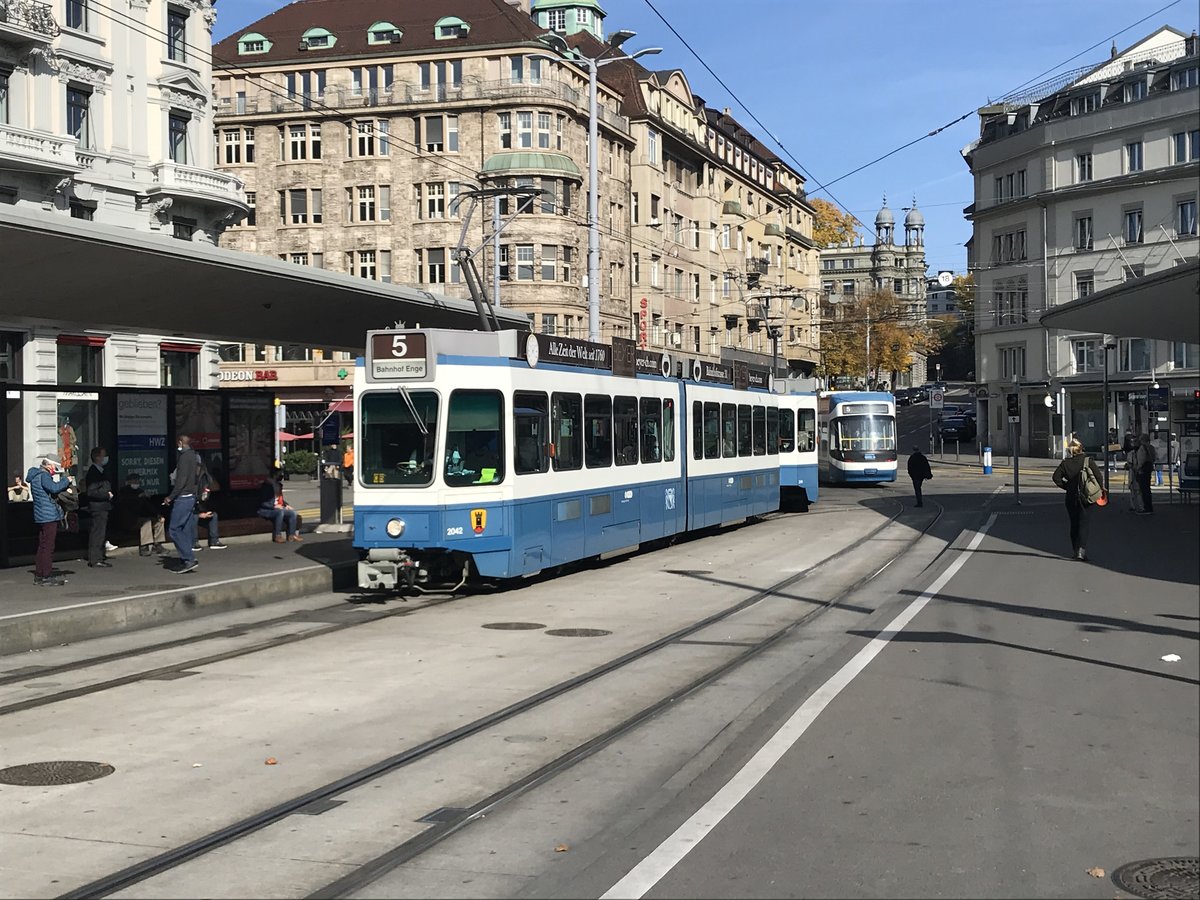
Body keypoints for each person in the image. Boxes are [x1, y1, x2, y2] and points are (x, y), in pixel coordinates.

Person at [1052, 438, 1105, 561]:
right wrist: (1099, 490)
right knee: (1084, 524)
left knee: (1074, 524)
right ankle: (1082, 551)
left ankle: (1075, 550)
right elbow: (1098, 476)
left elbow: (1056, 478)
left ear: (1070, 451)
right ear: (1081, 449)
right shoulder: (1088, 461)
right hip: (1087, 497)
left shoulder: (1065, 463)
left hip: (1071, 497)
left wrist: (1067, 487)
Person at [27, 453, 71, 586]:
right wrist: (66, 481)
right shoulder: (44, 475)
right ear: (49, 465)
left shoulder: (35, 476)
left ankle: (40, 574)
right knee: (48, 547)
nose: (55, 471)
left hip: (40, 515)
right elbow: (53, 488)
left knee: (42, 545)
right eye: (55, 467)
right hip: (49, 515)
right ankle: (46, 575)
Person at [163, 434, 200, 573]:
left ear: (180, 442)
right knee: (184, 529)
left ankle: (189, 558)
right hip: (191, 496)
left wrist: (170, 497)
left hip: (183, 497)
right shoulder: (193, 455)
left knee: (174, 529)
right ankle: (186, 559)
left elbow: (181, 480)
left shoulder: (184, 457)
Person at [117, 472, 168, 556]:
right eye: (134, 480)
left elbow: (148, 506)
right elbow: (126, 502)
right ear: (129, 482)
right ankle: (144, 546)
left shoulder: (140, 491)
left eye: (137, 480)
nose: (136, 482)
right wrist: (138, 497)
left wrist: (158, 514)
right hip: (129, 519)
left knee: (159, 521)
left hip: (139, 517)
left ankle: (158, 544)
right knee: (146, 522)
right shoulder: (123, 492)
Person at [83, 446, 115, 568]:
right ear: (97, 457)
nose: (105, 458)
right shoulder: (93, 472)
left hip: (103, 506)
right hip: (98, 507)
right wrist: (106, 495)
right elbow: (91, 491)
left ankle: (99, 556)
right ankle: (95, 558)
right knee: (97, 533)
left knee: (101, 533)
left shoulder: (102, 470)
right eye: (103, 455)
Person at [256, 465, 301, 543]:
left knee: (292, 513)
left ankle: (292, 535)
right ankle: (277, 535)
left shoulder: (278, 485)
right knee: (280, 512)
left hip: (278, 508)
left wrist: (286, 505)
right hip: (266, 510)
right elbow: (263, 502)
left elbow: (280, 499)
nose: (281, 476)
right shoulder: (266, 486)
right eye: (279, 474)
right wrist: (274, 506)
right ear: (275, 474)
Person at [191, 458, 227, 551]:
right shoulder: (188, 480)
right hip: (190, 511)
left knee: (213, 515)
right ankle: (194, 543)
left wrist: (205, 512)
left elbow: (215, 488)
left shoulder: (204, 479)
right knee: (194, 517)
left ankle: (214, 541)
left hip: (200, 508)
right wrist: (199, 514)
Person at [1133, 433, 1156, 515]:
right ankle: (1149, 507)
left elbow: (1141, 460)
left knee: (1143, 489)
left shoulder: (1143, 448)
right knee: (1147, 488)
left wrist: (1137, 468)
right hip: (1149, 468)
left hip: (1143, 469)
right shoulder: (1151, 448)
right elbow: (1154, 458)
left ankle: (1146, 508)